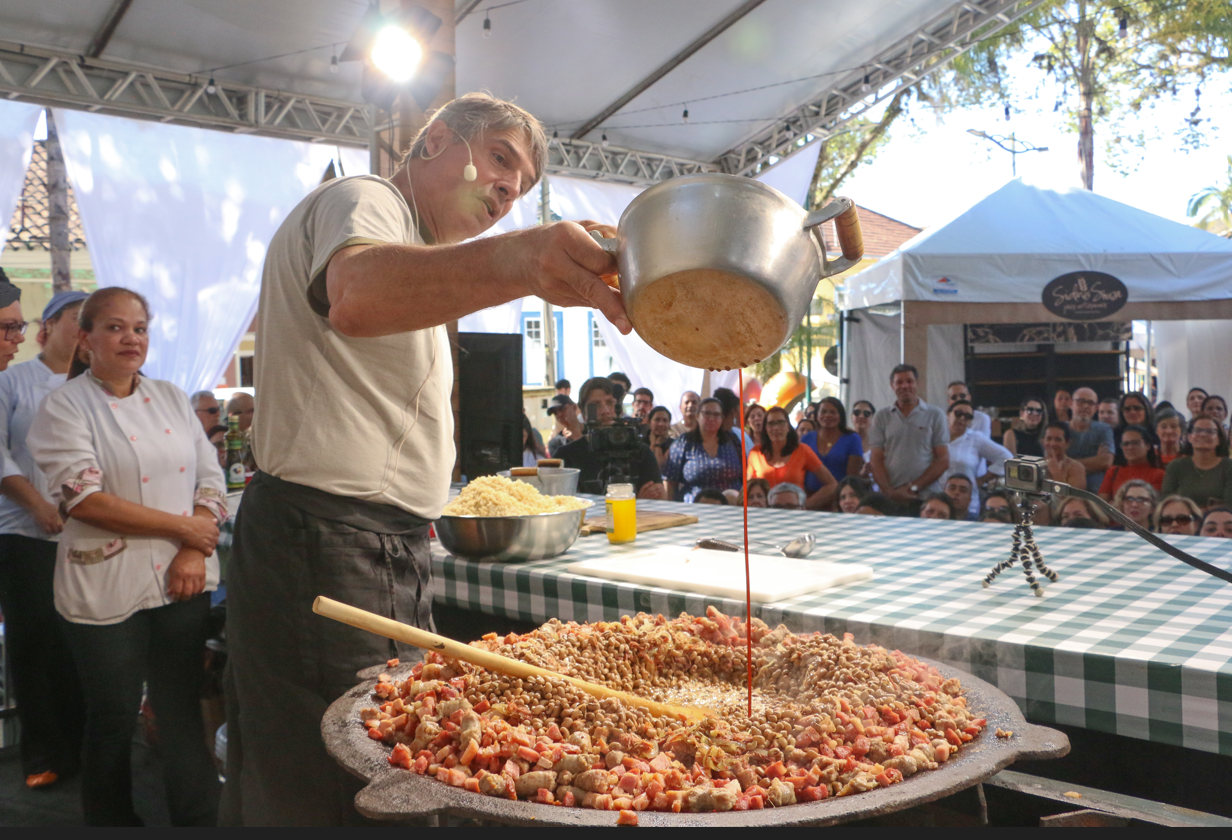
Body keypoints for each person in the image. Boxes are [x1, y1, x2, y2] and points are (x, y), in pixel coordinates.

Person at [221, 93, 631, 826]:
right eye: (501, 160)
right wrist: (525, 258)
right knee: (344, 777)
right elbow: (354, 293)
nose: (509, 190)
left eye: (524, 187)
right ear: (435, 140)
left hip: (377, 542)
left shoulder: (419, 253)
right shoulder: (365, 196)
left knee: (375, 759)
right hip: (327, 539)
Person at [28, 288, 225, 826]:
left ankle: (198, 819)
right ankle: (112, 821)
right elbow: (85, 501)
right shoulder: (63, 406)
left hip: (182, 580)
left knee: (180, 708)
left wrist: (191, 545)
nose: (130, 338)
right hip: (104, 582)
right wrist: (184, 527)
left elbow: (211, 478)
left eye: (139, 327)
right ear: (86, 340)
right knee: (113, 716)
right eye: (114, 328)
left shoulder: (169, 396)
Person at [0, 289, 87, 791]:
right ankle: (42, 753)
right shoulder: (13, 380)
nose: (84, 331)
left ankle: (81, 745)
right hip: (24, 533)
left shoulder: (95, 387)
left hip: (82, 535)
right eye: (78, 319)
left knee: (79, 644)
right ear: (47, 327)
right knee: (34, 646)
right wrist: (35, 504)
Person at [559, 378, 663, 498]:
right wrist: (637, 500)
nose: (605, 411)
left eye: (610, 403)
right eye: (595, 405)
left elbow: (659, 497)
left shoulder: (641, 452)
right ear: (583, 412)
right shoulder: (567, 456)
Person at [870, 364, 949, 512]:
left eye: (909, 381)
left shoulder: (935, 415)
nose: (905, 386)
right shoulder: (882, 416)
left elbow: (943, 460)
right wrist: (889, 492)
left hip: (926, 499)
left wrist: (913, 487)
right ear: (892, 386)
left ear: (917, 383)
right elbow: (876, 459)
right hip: (891, 498)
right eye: (899, 382)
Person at [746, 406, 837, 509]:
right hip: (764, 513)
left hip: (794, 514)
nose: (776, 428)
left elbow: (832, 485)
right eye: (771, 423)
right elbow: (747, 489)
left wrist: (805, 505)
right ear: (765, 429)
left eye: (780, 422)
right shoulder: (755, 453)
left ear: (788, 427)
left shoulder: (803, 450)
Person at [664, 397, 743, 503]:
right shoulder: (683, 443)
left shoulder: (733, 441)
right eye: (707, 413)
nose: (711, 418)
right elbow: (670, 482)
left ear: (721, 418)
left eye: (716, 415)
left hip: (731, 505)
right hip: (694, 506)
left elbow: (744, 475)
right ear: (697, 416)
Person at [942, 399, 1010, 519]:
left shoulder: (975, 438)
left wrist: (982, 479)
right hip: (939, 502)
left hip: (966, 505)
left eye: (968, 416)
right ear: (948, 414)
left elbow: (1006, 458)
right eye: (958, 413)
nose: (962, 418)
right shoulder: (936, 435)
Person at [1161, 416, 1232, 509]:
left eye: (1210, 431)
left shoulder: (1228, 466)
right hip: (1182, 520)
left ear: (1219, 439)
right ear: (1190, 437)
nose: (1203, 434)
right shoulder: (1176, 466)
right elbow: (1166, 502)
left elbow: (1229, 505)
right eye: (1197, 430)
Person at [800, 397, 864, 489]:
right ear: (817, 415)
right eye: (823, 412)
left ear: (841, 415)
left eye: (833, 412)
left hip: (839, 496)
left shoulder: (853, 439)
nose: (828, 415)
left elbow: (852, 478)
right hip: (808, 496)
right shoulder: (807, 438)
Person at [1066, 387, 1115, 493]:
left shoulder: (1104, 429)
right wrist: (1093, 461)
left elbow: (1105, 462)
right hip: (1064, 491)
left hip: (1095, 494)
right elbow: (1052, 463)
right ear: (1070, 403)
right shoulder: (1059, 429)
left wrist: (1067, 464)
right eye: (1080, 401)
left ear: (1096, 408)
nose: (1085, 406)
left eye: (1090, 403)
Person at [1099, 424, 1164, 500]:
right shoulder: (1113, 472)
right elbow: (1101, 504)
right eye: (1126, 444)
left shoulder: (1159, 475)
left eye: (1136, 443)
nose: (1130, 447)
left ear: (1148, 446)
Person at [1041, 422, 1087, 488]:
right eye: (1049, 439)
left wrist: (1056, 473)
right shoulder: (1035, 465)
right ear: (1043, 442)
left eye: (1058, 440)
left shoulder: (1076, 468)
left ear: (1067, 444)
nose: (1052, 443)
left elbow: (1075, 498)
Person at [850, 399, 875, 476]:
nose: (861, 416)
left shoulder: (879, 444)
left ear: (873, 418)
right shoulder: (843, 441)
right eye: (857, 413)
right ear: (852, 417)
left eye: (866, 413)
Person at [644, 405, 673, 472]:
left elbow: (659, 467)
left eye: (665, 420)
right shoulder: (641, 442)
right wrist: (652, 444)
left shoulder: (673, 445)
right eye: (657, 420)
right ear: (649, 422)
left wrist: (657, 445)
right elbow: (645, 465)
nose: (661, 424)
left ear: (669, 425)